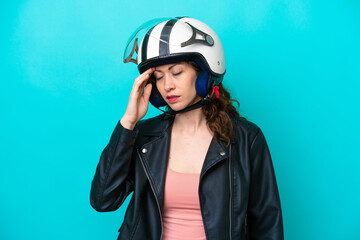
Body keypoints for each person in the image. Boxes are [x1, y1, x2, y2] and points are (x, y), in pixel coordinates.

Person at [90, 17, 284, 240]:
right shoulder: (144, 135)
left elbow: (267, 222)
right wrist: (128, 123)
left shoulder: (246, 138)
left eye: (177, 72)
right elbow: (103, 200)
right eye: (159, 77)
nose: (167, 85)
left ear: (204, 74)